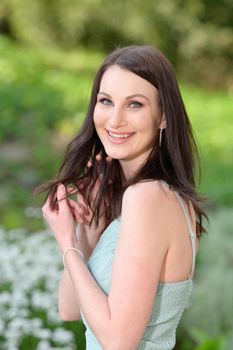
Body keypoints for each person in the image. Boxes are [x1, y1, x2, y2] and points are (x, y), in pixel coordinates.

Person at [38, 45, 207, 350]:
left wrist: (66, 243)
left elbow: (118, 341)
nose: (115, 120)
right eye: (106, 101)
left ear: (164, 117)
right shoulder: (155, 198)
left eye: (134, 105)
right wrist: (86, 234)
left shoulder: (148, 198)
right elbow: (69, 309)